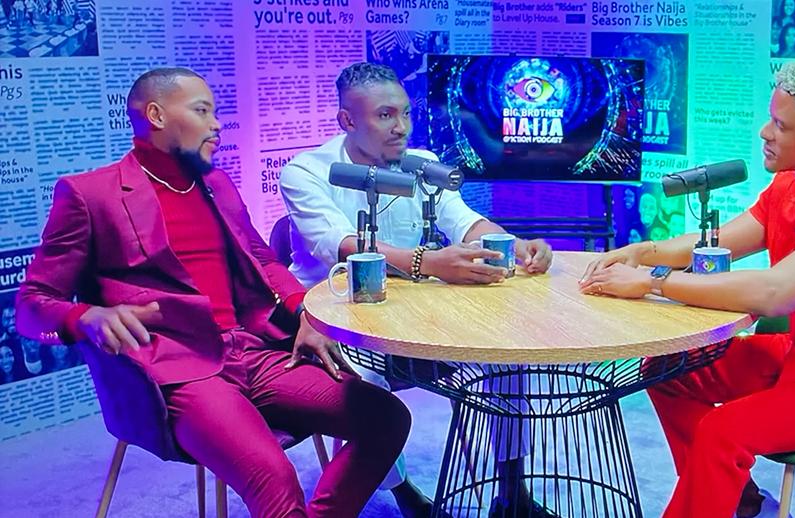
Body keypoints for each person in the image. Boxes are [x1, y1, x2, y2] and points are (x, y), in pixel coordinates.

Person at [16, 67, 411, 518]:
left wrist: (305, 313)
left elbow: (263, 261)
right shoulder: (89, 194)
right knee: (274, 476)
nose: (217, 124)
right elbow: (31, 305)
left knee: (387, 417)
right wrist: (85, 316)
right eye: (202, 111)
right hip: (177, 370)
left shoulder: (217, 184)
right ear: (156, 115)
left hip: (252, 352)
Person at [579, 57, 795, 518]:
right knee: (668, 370)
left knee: (722, 432)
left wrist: (652, 281)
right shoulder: (791, 184)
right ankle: (740, 504)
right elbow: (721, 241)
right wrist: (645, 251)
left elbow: (775, 293)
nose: (764, 132)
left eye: (780, 125)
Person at [280, 62, 555, 518]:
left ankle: (512, 493)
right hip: (336, 321)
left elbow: (464, 221)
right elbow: (340, 244)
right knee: (365, 380)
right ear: (348, 120)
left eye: (405, 113)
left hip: (416, 314)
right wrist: (428, 262)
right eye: (385, 115)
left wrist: (512, 242)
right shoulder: (305, 172)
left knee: (508, 353)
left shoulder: (422, 163)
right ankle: (406, 494)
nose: (401, 127)